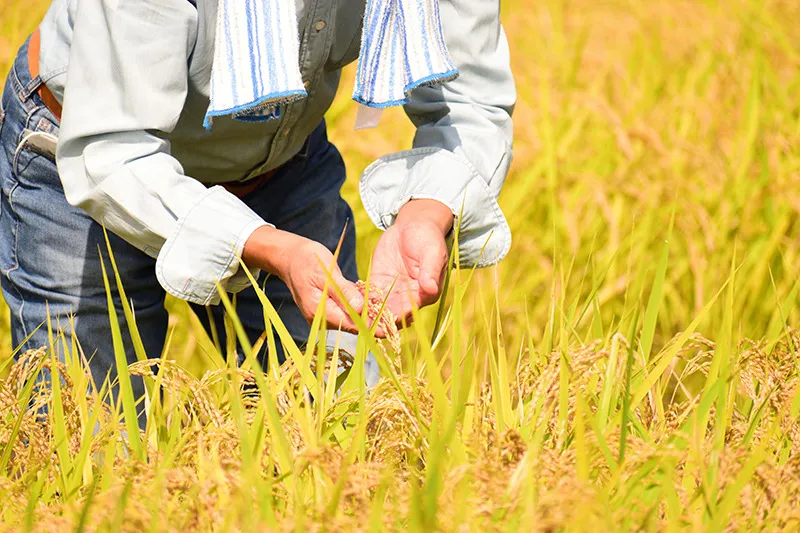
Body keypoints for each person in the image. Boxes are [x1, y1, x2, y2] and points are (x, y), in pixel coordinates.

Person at [0, 0, 515, 398]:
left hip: (280, 172)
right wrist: (266, 247)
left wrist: (426, 212)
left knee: (334, 432)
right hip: (84, 163)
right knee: (93, 442)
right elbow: (113, 150)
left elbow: (469, 94)